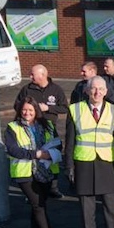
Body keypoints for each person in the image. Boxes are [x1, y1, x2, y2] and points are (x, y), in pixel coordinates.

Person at [64, 76, 114, 228]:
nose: (97, 92)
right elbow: (69, 141)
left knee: (110, 205)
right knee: (86, 208)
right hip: (84, 163)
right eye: (93, 89)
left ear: (106, 92)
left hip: (107, 163)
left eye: (101, 89)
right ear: (87, 91)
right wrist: (69, 167)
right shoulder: (74, 110)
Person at [5, 97, 62, 228]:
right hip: (25, 172)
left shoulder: (48, 125)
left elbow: (59, 144)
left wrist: (49, 154)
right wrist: (37, 154)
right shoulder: (13, 127)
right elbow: (13, 149)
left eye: (30, 110)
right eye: (24, 110)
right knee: (38, 205)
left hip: (46, 171)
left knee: (38, 204)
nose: (27, 113)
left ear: (36, 110)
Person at [16, 64, 69, 198]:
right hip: (31, 129)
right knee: (34, 158)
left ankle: (53, 188)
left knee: (53, 157)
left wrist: (48, 108)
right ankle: (34, 192)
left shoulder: (56, 89)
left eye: (33, 74)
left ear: (43, 75)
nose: (30, 77)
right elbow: (16, 105)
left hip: (50, 130)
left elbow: (64, 108)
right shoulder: (26, 89)